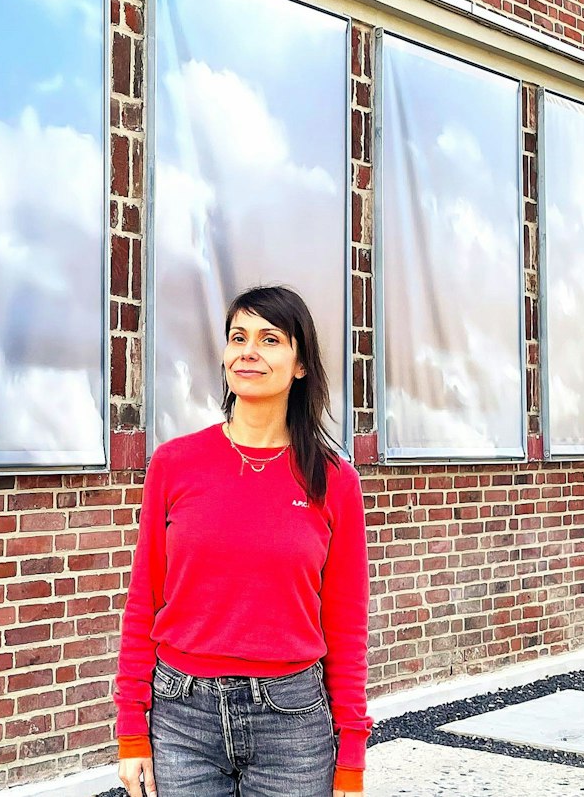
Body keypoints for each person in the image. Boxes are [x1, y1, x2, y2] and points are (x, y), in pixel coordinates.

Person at [115, 285, 372, 797]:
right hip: (182, 716)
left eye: (270, 338)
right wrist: (130, 732)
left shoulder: (333, 480)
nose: (248, 351)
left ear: (300, 364)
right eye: (238, 337)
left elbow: (346, 626)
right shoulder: (174, 464)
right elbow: (144, 601)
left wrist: (352, 757)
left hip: (292, 722)